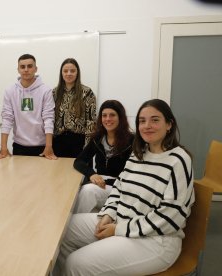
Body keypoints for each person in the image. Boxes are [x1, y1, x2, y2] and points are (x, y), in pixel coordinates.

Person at [55, 99, 195, 276]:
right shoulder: (139, 154)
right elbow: (119, 189)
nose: (147, 125)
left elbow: (171, 217)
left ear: (169, 124)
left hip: (155, 241)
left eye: (155, 120)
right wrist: (108, 214)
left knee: (76, 264)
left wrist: (118, 229)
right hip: (122, 221)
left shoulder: (178, 160)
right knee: (62, 230)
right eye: (142, 121)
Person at [73, 100, 133, 213]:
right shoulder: (98, 138)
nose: (107, 119)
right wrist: (92, 174)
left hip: (120, 187)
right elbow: (79, 161)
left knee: (88, 191)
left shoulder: (132, 141)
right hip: (101, 183)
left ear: (121, 118)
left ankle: (71, 225)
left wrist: (105, 181)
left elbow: (132, 175)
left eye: (112, 115)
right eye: (104, 115)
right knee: (81, 191)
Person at [0, 54, 57, 159]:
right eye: (22, 67)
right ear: (18, 69)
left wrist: (48, 146)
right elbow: (7, 119)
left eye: (29, 66)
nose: (26, 69)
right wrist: (3, 147)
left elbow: (48, 119)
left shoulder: (45, 91)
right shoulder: (10, 91)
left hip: (42, 147)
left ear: (35, 69)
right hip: (19, 146)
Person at [53, 58, 96, 157]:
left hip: (78, 141)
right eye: (65, 71)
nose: (69, 73)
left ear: (77, 73)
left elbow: (91, 121)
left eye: (72, 71)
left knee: (77, 172)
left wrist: (87, 147)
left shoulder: (87, 92)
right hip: (58, 141)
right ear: (61, 73)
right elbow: (50, 119)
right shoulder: (54, 93)